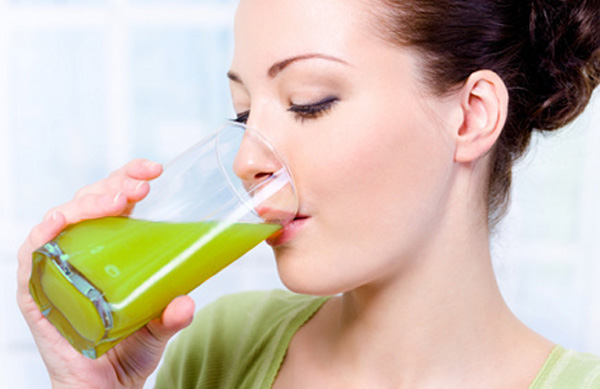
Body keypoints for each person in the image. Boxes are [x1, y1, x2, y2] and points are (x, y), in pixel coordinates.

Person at [17, 0, 600, 387]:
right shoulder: (220, 351)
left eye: (309, 101)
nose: (248, 160)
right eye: (244, 114)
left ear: (472, 118)